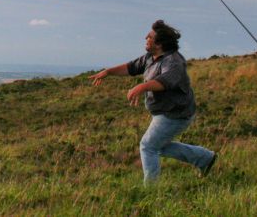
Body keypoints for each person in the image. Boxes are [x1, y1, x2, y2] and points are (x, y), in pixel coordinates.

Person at [90, 19, 216, 183]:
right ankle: (205, 158)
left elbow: (165, 81)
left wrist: (141, 87)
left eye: (149, 36)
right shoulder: (151, 57)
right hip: (164, 112)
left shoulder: (173, 62)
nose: (145, 38)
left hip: (176, 114)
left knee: (148, 146)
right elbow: (131, 67)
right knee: (159, 146)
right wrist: (108, 72)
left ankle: (151, 188)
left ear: (160, 43)